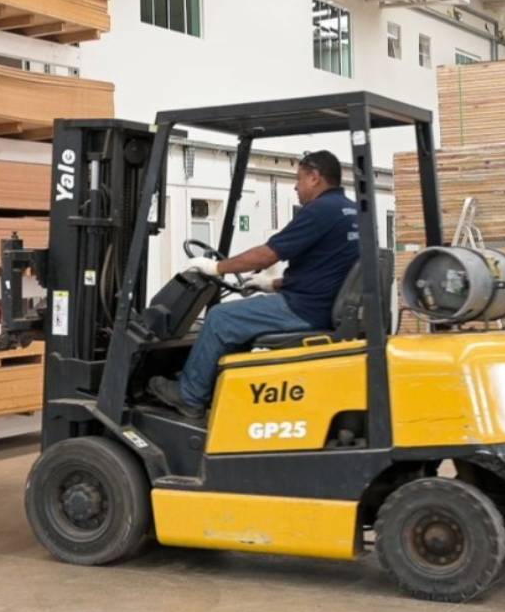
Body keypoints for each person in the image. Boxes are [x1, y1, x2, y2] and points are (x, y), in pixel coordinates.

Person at [147, 149, 360, 426]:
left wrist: (216, 268)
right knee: (236, 322)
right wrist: (271, 284)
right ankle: (212, 385)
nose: (296, 187)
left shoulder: (320, 211)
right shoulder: (351, 210)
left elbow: (267, 255)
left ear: (314, 177)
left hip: (305, 309)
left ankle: (190, 396)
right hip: (321, 304)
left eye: (298, 179)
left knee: (220, 318)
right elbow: (328, 269)